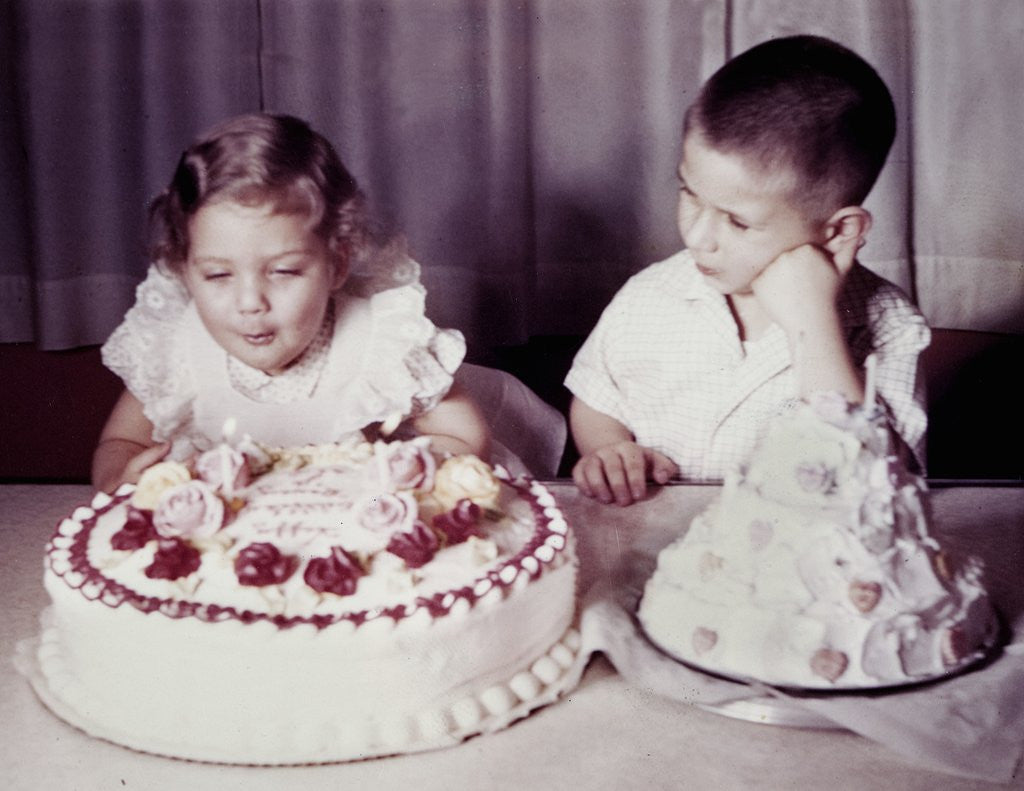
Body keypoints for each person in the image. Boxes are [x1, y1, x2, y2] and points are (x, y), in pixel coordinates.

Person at [565, 35, 930, 506]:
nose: (697, 237)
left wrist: (814, 325)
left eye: (738, 221)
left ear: (837, 233)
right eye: (690, 194)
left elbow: (878, 488)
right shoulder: (651, 294)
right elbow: (597, 399)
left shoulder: (892, 327)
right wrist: (611, 449)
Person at [93, 113, 489, 492]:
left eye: (283, 272)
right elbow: (121, 443)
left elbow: (464, 436)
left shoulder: (381, 341)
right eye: (217, 275)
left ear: (336, 264)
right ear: (184, 270)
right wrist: (120, 478)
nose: (250, 303)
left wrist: (415, 470)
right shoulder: (175, 348)